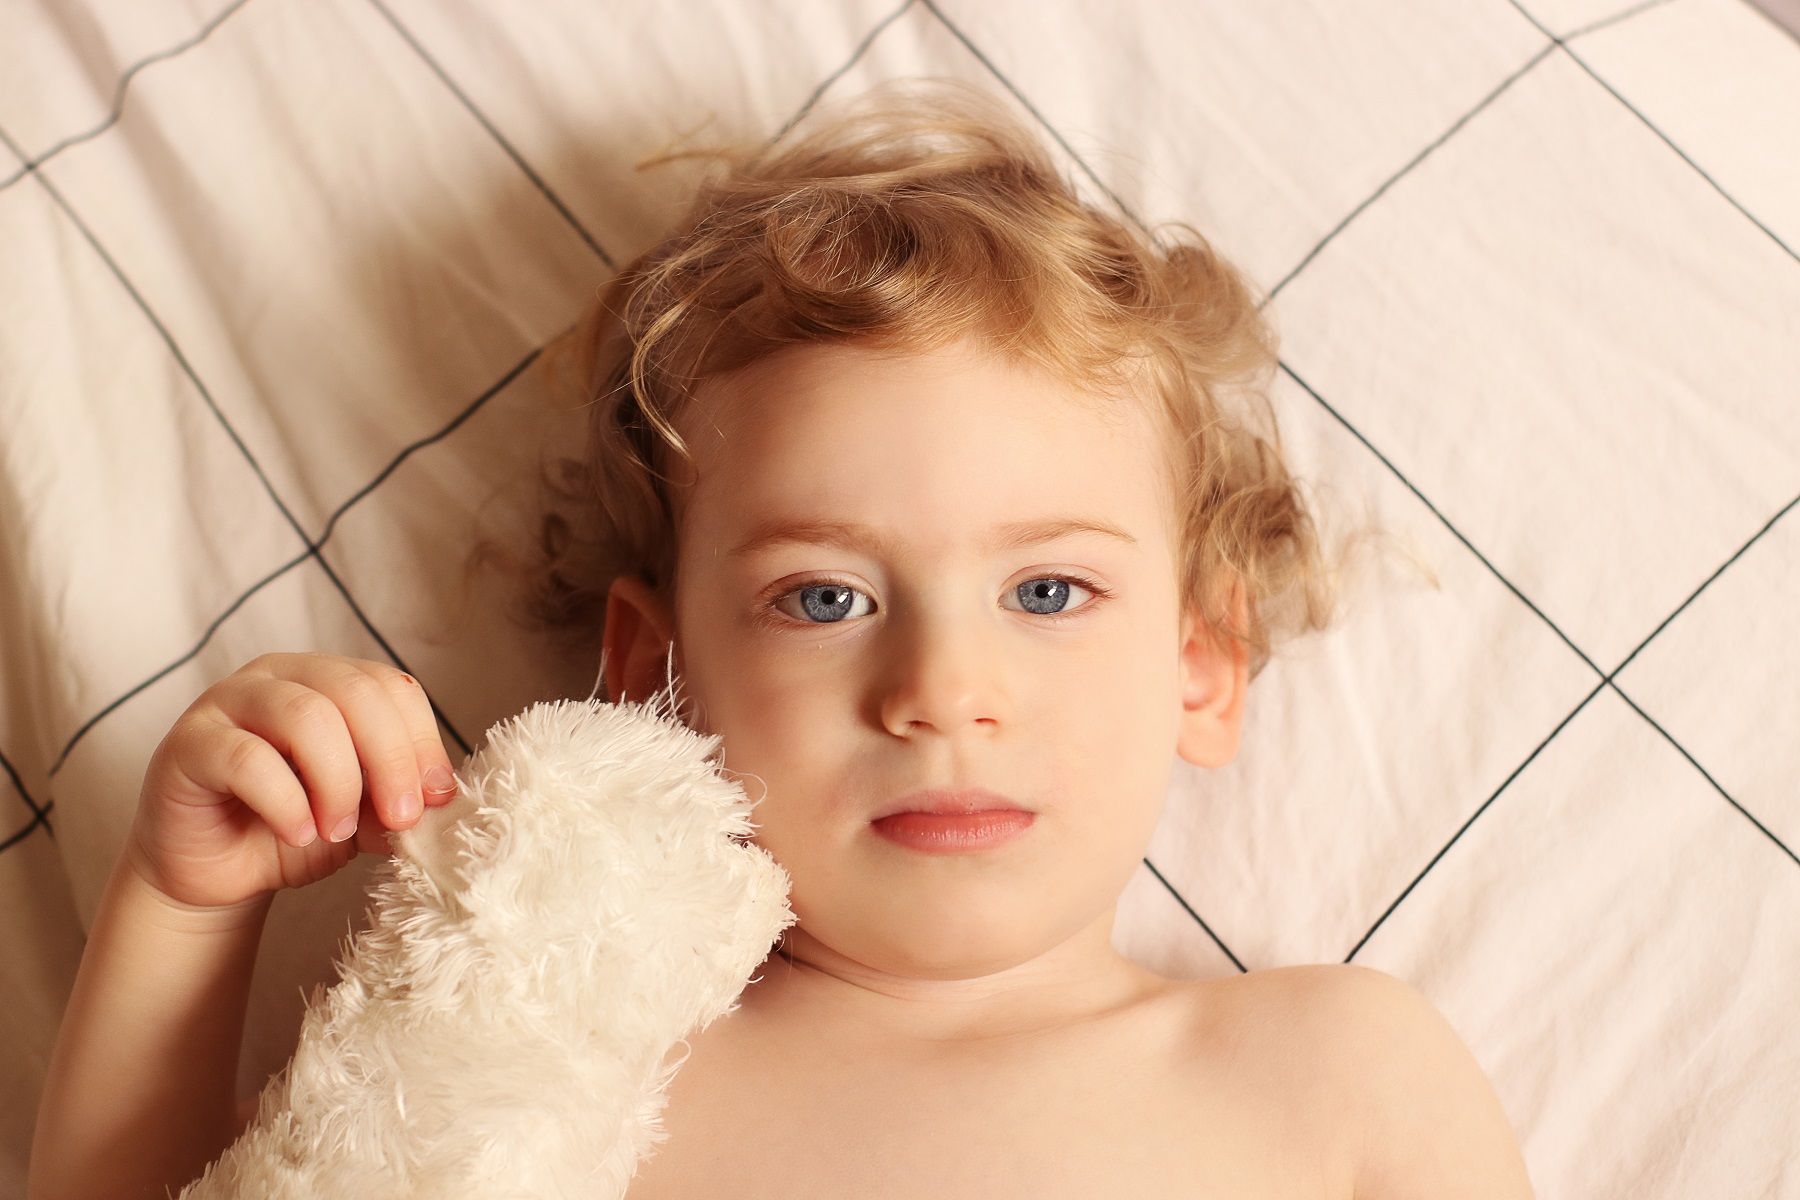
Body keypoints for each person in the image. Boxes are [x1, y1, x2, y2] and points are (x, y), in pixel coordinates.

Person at [27, 77, 1533, 1198]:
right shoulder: (547, 1068)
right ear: (653, 676)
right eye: (825, 599)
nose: (942, 691)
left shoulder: (1332, 1078)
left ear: (1201, 664)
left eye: (1048, 593)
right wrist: (183, 908)